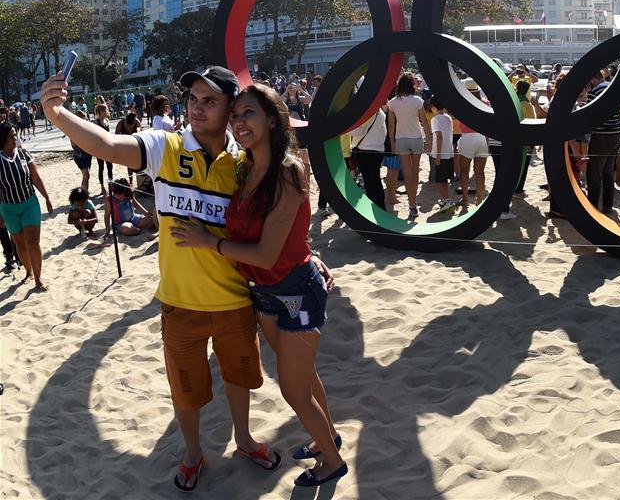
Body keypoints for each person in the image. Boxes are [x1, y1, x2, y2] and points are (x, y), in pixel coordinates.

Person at [41, 67, 280, 493]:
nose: (197, 108)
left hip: (235, 301)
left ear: (229, 109)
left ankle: (243, 439)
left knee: (239, 378)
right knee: (185, 390)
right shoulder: (164, 146)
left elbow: (276, 217)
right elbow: (106, 144)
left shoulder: (246, 163)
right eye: (192, 99)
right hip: (178, 301)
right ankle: (193, 452)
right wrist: (57, 114)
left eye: (210, 101)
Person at [169, 84, 346, 488]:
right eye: (235, 116)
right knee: (305, 379)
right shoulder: (247, 169)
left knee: (293, 391)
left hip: (295, 290)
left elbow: (267, 253)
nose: (239, 122)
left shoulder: (288, 170)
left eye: (248, 113)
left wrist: (207, 241)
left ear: (271, 119)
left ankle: (332, 462)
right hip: (263, 292)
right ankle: (327, 437)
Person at [0, 122, 52, 289]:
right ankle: (28, 272)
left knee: (32, 241)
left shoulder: (24, 154)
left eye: (15, 134)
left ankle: (38, 279)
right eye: (11, 136)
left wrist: (47, 197)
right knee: (19, 243)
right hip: (8, 208)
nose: (15, 138)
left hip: (29, 203)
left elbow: (35, 178)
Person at [387, 73, 429, 218]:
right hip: (416, 138)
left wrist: (392, 143)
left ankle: (411, 204)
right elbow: (424, 122)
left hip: (401, 139)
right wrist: (429, 140)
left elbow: (391, 126)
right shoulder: (417, 100)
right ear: (411, 85)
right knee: (415, 172)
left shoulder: (393, 102)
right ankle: (413, 203)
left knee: (407, 172)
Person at [586, 70, 620, 214]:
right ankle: (608, 206)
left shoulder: (594, 92)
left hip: (601, 135)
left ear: (592, 80)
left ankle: (593, 207)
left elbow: (588, 116)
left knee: (593, 173)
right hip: (616, 133)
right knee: (608, 171)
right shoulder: (612, 87)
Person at [456, 83, 490, 208]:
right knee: (480, 172)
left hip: (467, 138)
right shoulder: (484, 103)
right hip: (482, 138)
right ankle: (479, 199)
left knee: (464, 172)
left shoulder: (461, 104)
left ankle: (465, 199)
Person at [349, 105, 387, 209]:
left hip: (365, 151)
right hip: (378, 150)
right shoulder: (380, 113)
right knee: (376, 180)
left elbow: (359, 131)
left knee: (370, 182)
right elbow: (384, 132)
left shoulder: (367, 113)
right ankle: (381, 206)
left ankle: (375, 207)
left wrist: (345, 129)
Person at [429, 96, 455, 212]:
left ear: (434, 107)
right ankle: (446, 200)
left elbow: (439, 137)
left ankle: (447, 200)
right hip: (448, 153)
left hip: (440, 153)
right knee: (443, 180)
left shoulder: (435, 119)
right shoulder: (448, 117)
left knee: (438, 180)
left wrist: (438, 155)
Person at [93, 103, 114, 195]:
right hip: (99, 148)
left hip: (108, 148)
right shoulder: (96, 122)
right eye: (105, 110)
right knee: (101, 167)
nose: (107, 112)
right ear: (101, 112)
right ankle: (102, 187)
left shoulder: (107, 120)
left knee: (110, 166)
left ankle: (111, 184)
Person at [71, 110, 93, 193]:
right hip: (80, 156)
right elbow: (73, 145)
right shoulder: (73, 130)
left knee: (87, 176)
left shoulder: (85, 128)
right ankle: (83, 196)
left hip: (87, 154)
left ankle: (84, 194)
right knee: (86, 176)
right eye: (82, 119)